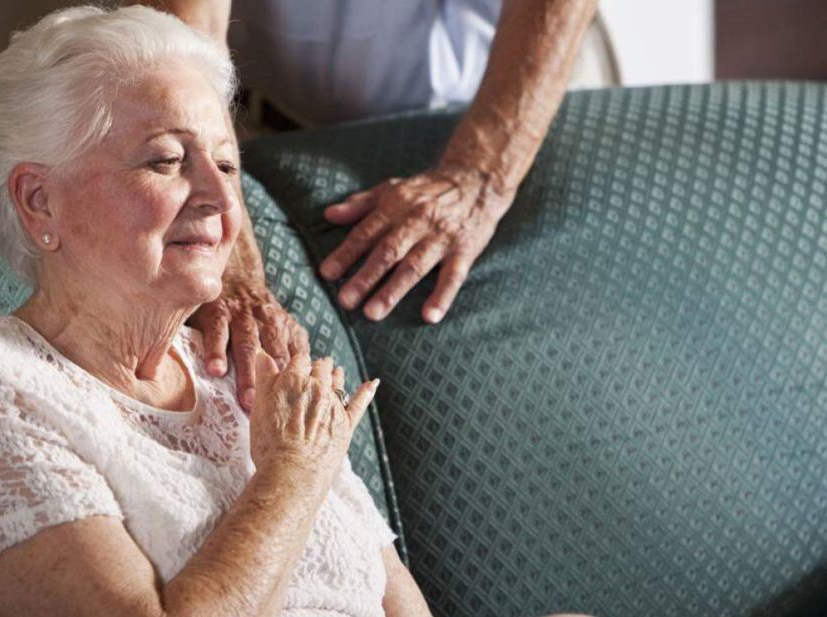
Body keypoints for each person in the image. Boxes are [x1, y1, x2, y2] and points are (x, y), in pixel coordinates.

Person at [0, 6, 432, 615]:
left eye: (228, 164)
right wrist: (291, 471)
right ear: (38, 201)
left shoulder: (245, 375)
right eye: (166, 161)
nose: (219, 198)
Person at [137, 0, 601, 416]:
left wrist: (482, 176)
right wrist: (224, 257)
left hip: (500, 126)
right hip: (254, 122)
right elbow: (185, 27)